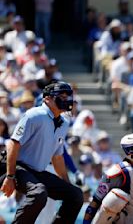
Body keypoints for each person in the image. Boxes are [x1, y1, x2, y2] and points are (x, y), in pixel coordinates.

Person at [0, 82, 83, 223]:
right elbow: (13, 144)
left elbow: (57, 157)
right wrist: (10, 176)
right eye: (61, 96)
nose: (66, 100)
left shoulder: (64, 122)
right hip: (13, 166)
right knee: (39, 193)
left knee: (75, 195)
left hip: (35, 171)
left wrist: (67, 185)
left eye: (68, 96)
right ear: (47, 99)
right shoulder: (35, 115)